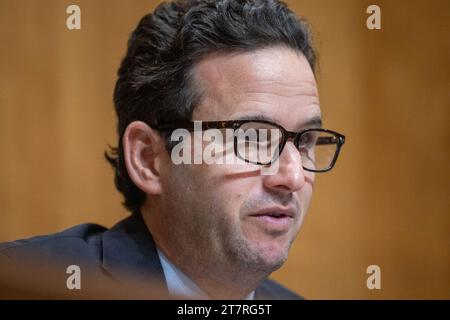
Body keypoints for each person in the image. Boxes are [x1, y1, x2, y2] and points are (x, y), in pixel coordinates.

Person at [0, 0, 345, 299]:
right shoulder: (24, 285)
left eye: (305, 141)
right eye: (252, 138)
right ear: (148, 159)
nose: (292, 176)